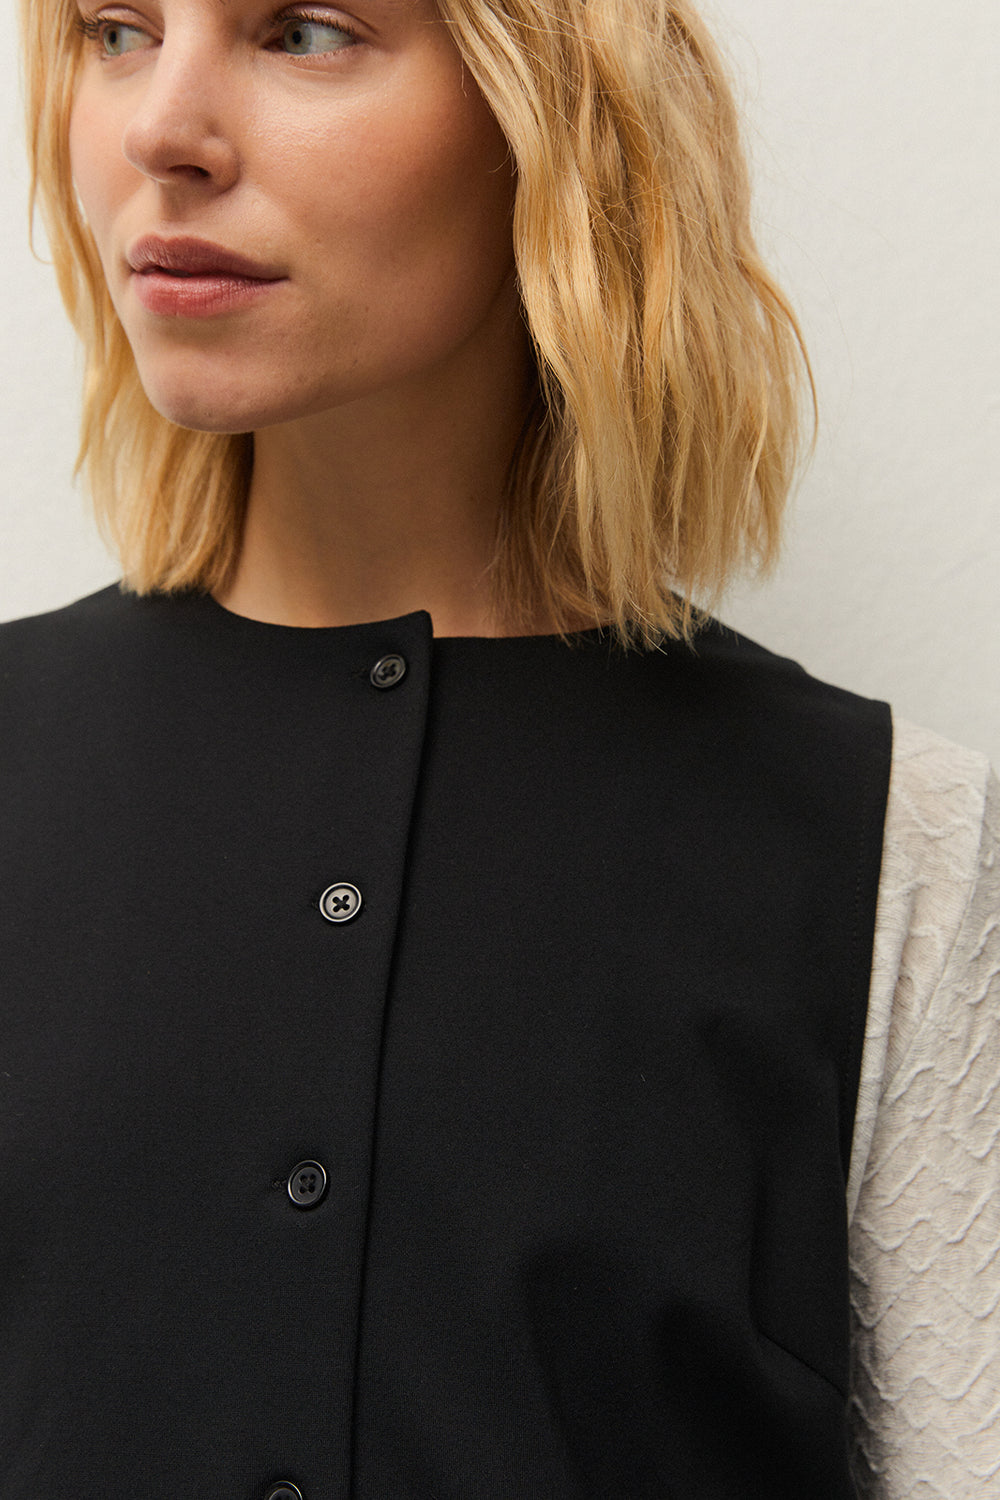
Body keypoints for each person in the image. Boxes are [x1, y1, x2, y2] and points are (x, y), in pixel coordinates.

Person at [2, 0, 996, 1496]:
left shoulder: (894, 841)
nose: (160, 129)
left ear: (556, 111)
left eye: (307, 31)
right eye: (116, 29)